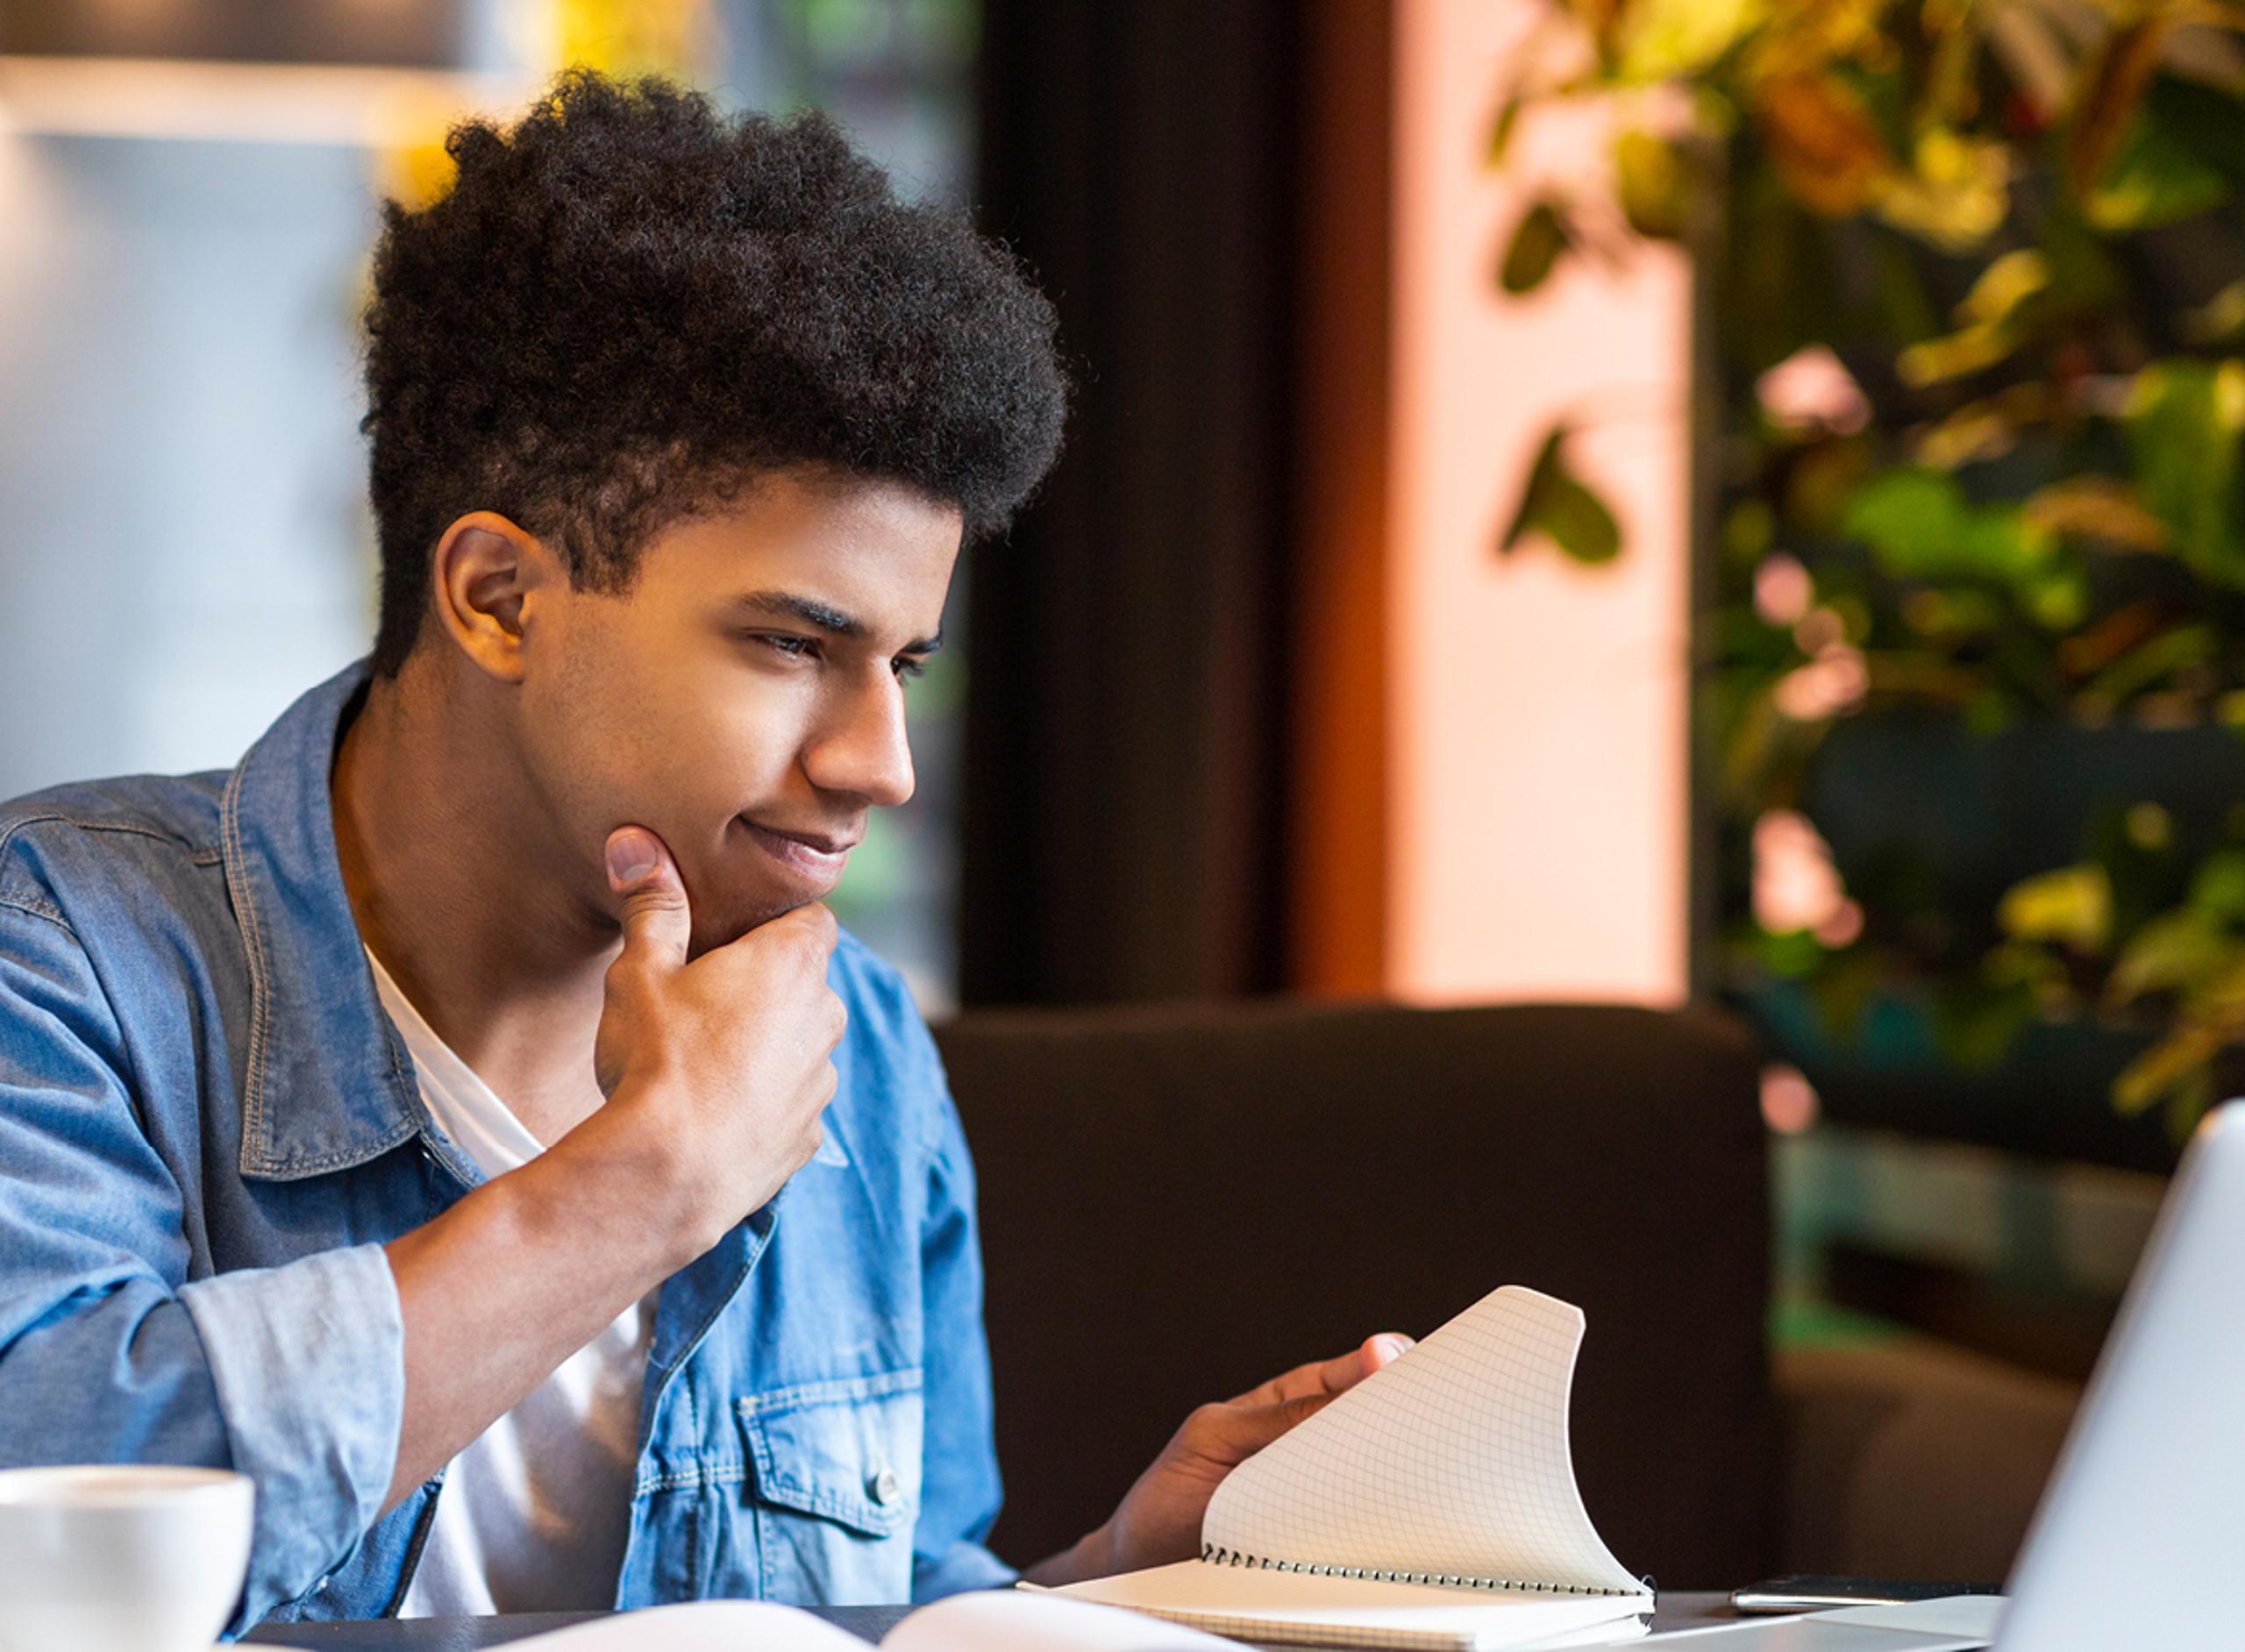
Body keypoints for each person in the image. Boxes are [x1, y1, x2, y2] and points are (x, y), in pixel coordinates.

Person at [0, 71, 1407, 1634]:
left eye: (905, 664)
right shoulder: (67, 962)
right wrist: (648, 1182)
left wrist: (1106, 1595)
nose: (881, 764)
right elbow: (43, 1528)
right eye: (795, 645)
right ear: (498, 600)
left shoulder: (855, 1052)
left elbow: (881, 1614)